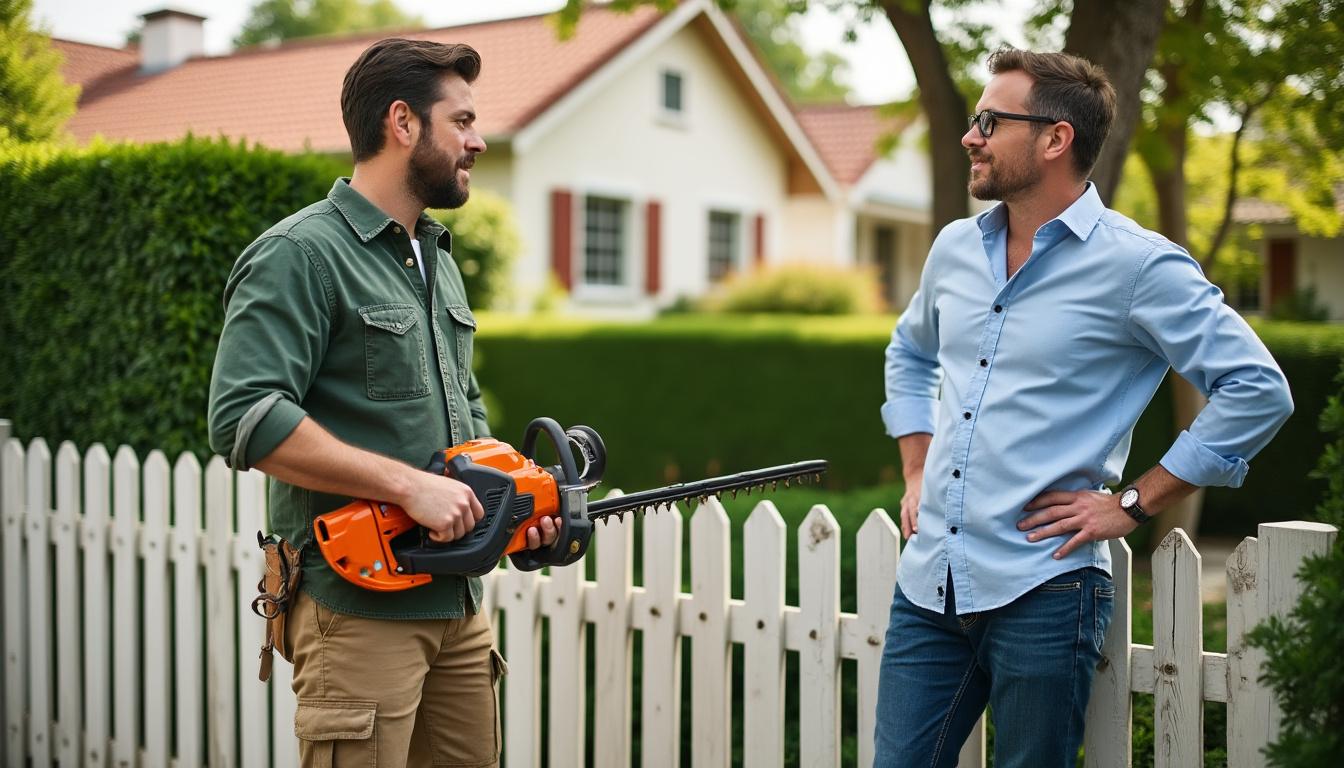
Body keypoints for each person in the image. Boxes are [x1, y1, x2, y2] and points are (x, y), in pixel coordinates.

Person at [874, 48, 1293, 767]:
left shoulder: (1139, 265)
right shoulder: (954, 248)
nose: (971, 136)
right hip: (929, 583)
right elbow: (910, 353)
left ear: (1055, 139)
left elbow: (1257, 388)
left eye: (990, 121)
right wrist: (916, 468)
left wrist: (1133, 502)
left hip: (1044, 589)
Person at [208, 38, 557, 768]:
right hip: (355, 607)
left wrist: (513, 512)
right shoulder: (301, 254)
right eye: (461, 121)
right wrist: (407, 488)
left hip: (457, 607)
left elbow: (466, 420)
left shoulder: (437, 260)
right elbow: (245, 417)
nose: (477, 140)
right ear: (403, 123)